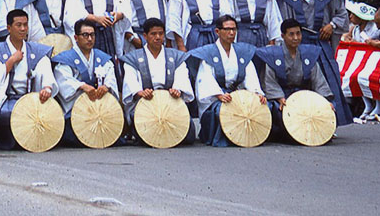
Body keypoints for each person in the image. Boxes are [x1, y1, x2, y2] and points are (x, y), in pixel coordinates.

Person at [280, 0, 353, 126]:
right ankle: (297, 123)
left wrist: (332, 26)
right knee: (299, 81)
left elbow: (342, 14)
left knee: (327, 81)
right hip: (298, 44)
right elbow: (284, 20)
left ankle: (328, 122)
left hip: (321, 44)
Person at [0, 9, 58, 150]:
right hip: (8, 99)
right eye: (18, 25)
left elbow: (46, 72)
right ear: (8, 28)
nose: (23, 29)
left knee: (50, 115)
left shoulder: (36, 51)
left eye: (25, 25)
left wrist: (47, 88)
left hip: (31, 97)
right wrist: (10, 61)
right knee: (10, 115)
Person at [187, 15, 266, 147]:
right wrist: (218, 95)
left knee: (261, 106)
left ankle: (249, 136)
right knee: (220, 110)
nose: (231, 33)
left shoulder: (242, 52)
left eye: (234, 29)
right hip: (218, 96)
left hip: (238, 93)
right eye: (227, 29)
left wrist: (257, 93)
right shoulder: (209, 53)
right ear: (217, 32)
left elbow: (250, 76)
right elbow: (205, 79)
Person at [255, 18, 333, 141]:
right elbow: (269, 81)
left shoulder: (308, 54)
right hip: (282, 96)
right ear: (283, 36)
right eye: (291, 34)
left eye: (298, 33)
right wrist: (280, 98)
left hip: (303, 96)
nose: (296, 38)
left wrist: (324, 100)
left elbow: (318, 80)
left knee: (327, 108)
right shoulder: (273, 55)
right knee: (276, 111)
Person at [120, 17, 194, 144]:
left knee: (187, 132)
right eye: (153, 34)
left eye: (161, 33)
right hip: (146, 101)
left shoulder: (175, 56)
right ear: (145, 36)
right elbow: (130, 81)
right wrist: (139, 92)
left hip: (170, 101)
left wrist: (178, 90)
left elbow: (182, 75)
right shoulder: (133, 58)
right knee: (145, 133)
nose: (158, 37)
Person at [52, 19, 119, 144]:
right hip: (76, 109)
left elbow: (110, 77)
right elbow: (64, 80)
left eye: (92, 35)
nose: (89, 39)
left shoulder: (102, 58)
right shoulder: (66, 59)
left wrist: (106, 86)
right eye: (85, 35)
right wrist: (82, 86)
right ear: (76, 37)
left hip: (100, 108)